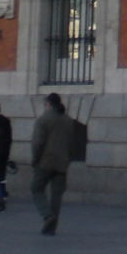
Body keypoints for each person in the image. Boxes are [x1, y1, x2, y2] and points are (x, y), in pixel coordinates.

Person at [31, 93, 75, 236]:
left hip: (45, 161)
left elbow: (38, 143)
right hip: (62, 162)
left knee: (36, 189)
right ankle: (51, 227)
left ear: (48, 104)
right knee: (57, 195)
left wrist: (35, 159)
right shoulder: (68, 120)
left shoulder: (43, 120)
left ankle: (47, 215)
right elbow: (72, 143)